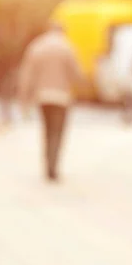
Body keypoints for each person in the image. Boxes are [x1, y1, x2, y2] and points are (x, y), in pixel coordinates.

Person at [18, 21, 84, 182]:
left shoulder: (37, 47)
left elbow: (26, 75)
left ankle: (47, 165)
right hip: (61, 97)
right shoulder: (67, 47)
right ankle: (54, 167)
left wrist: (24, 101)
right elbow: (76, 74)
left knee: (46, 131)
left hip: (42, 97)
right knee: (57, 133)